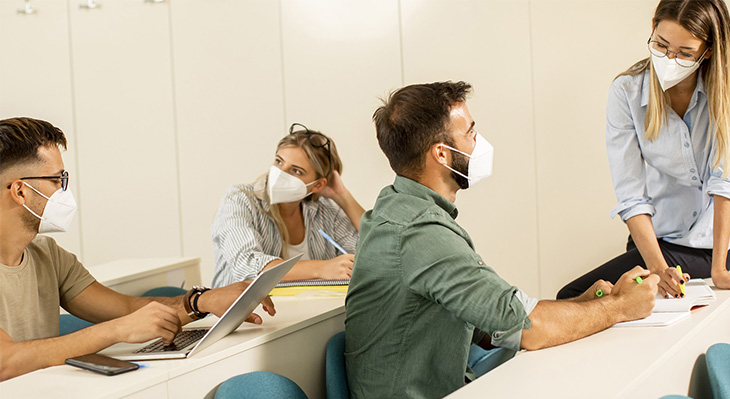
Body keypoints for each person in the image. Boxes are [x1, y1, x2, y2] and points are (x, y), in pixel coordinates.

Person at [344, 81, 660, 399]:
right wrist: (620, 307)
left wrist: (586, 304)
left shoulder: (396, 209)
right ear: (441, 153)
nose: (478, 142)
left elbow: (489, 326)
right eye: (469, 133)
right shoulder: (419, 233)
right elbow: (531, 329)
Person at [0, 117, 275, 381]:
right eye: (57, 180)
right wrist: (117, 331)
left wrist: (201, 302)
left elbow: (126, 308)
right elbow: (6, 362)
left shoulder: (48, 254)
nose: (64, 190)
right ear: (20, 191)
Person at [557, 0, 730, 300]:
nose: (670, 59)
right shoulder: (626, 92)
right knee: (574, 295)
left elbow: (723, 182)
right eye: (661, 45)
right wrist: (661, 270)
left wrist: (718, 268)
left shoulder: (724, 91)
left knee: (571, 295)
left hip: (716, 245)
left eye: (685, 53)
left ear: (708, 51)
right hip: (659, 241)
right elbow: (631, 195)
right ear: (652, 28)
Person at [211, 124, 364, 287]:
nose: (280, 173)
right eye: (279, 161)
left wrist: (343, 197)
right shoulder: (238, 199)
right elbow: (247, 266)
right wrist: (322, 268)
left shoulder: (323, 211)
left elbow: (375, 249)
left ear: (318, 185)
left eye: (296, 171)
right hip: (241, 312)